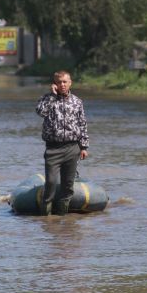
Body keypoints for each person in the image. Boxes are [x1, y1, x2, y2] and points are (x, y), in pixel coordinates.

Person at [36, 70, 89, 216]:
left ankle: (62, 220)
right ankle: (45, 219)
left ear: (70, 83)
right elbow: (41, 112)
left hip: (73, 148)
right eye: (59, 82)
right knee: (51, 183)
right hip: (53, 149)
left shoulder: (77, 102)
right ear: (54, 84)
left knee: (67, 187)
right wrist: (52, 96)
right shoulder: (47, 99)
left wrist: (84, 146)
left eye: (65, 82)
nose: (62, 85)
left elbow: (82, 124)